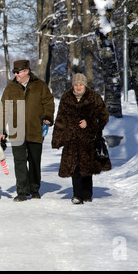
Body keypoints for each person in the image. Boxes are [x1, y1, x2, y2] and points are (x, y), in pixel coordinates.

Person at [0, 59, 55, 201]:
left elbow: (48, 102)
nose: (16, 74)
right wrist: (1, 130)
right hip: (17, 131)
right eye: (14, 72)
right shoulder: (10, 88)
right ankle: (22, 191)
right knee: (20, 162)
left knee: (34, 161)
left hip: (35, 130)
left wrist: (47, 116)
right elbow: (3, 109)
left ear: (26, 71)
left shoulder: (40, 85)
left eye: (18, 72)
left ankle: (34, 189)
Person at [51, 73, 112, 204]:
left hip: (89, 139)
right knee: (75, 167)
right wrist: (57, 139)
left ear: (85, 85)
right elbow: (60, 119)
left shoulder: (94, 97)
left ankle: (87, 193)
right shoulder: (66, 98)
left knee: (87, 167)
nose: (78, 87)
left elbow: (104, 116)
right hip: (72, 139)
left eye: (81, 85)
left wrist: (89, 123)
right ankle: (77, 195)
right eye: (76, 85)